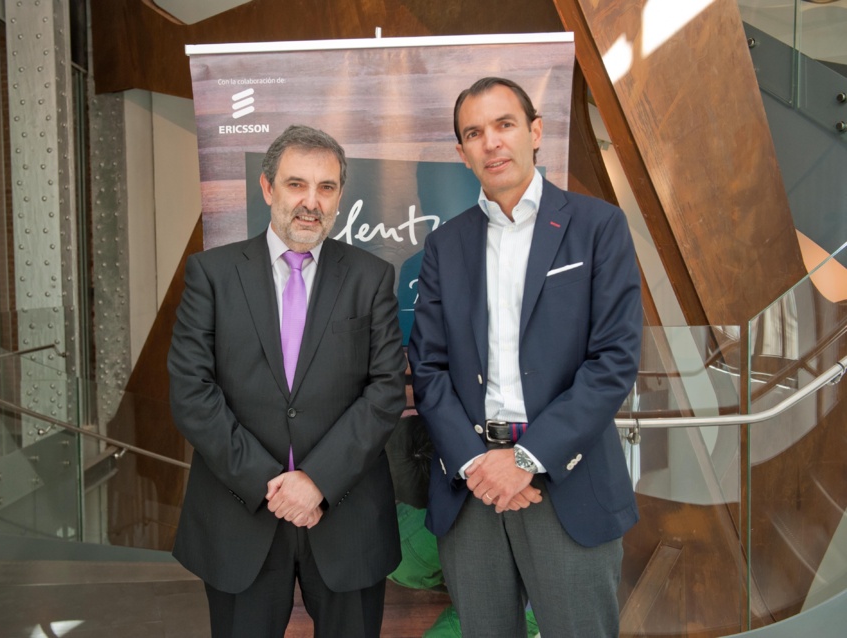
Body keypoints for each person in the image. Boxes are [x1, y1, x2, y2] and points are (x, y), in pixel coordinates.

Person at [408, 77, 643, 637]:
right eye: (474, 133)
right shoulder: (445, 245)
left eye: (504, 125)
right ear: (462, 154)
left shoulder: (598, 227)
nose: (491, 142)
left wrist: (523, 460)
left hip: (566, 481)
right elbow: (429, 367)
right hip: (471, 487)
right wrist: (477, 463)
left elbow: (613, 360)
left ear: (535, 132)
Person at [168, 124, 406, 637]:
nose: (311, 202)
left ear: (341, 196)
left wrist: (317, 480)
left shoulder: (372, 277)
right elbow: (192, 392)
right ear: (267, 188)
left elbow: (385, 390)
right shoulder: (210, 274)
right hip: (240, 515)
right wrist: (271, 485)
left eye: (326, 188)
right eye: (297, 184)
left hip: (345, 516)